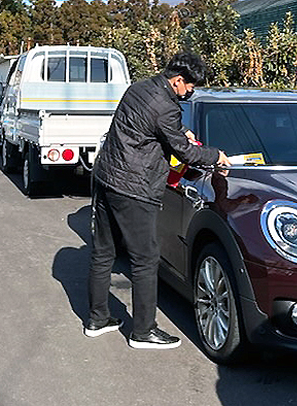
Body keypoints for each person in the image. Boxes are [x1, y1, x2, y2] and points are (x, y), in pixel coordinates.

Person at [86, 52, 231, 349]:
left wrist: (180, 131)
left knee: (103, 253)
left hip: (106, 177)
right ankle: (143, 331)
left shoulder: (139, 88)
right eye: (189, 86)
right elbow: (185, 152)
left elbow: (151, 127)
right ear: (177, 80)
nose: (189, 91)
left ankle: (97, 319)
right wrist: (215, 155)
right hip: (134, 188)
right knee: (145, 260)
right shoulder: (166, 106)